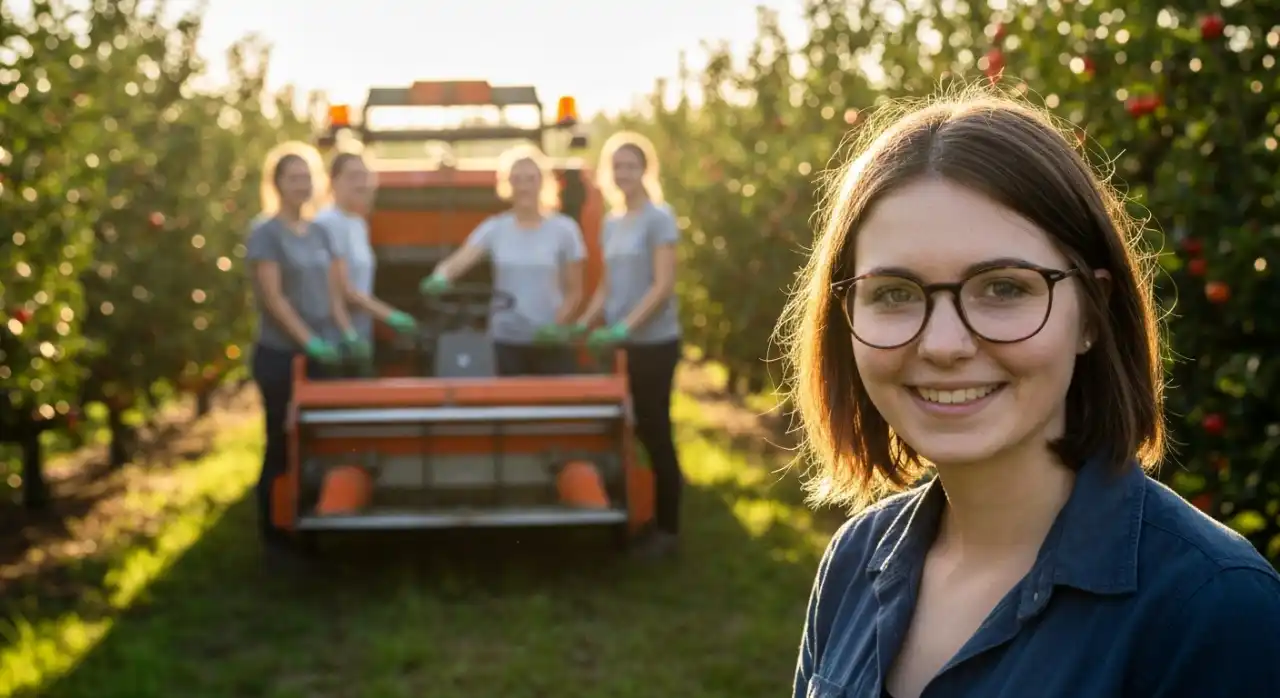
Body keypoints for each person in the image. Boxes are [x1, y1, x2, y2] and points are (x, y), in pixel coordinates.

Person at [782, 91, 1280, 698]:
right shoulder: (853, 561)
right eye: (893, 293)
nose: (943, 344)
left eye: (1003, 288)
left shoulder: (1213, 610)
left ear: (1093, 314)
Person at [572, 131, 684, 558]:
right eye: (617, 167)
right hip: (621, 347)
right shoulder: (612, 223)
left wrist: (626, 327)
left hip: (654, 343)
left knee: (656, 431)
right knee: (630, 430)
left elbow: (662, 286)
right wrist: (584, 323)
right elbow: (607, 286)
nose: (624, 174)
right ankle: (642, 515)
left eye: (631, 166)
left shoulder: (660, 217)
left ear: (645, 170)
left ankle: (668, 530)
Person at [246, 143, 354, 563]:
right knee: (281, 442)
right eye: (293, 178)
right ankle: (276, 533)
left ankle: (318, 517)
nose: (301, 185)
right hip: (282, 356)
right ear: (277, 184)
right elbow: (274, 299)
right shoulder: (265, 233)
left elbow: (333, 295)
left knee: (322, 442)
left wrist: (345, 335)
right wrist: (307, 340)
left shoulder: (321, 231)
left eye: (307, 177)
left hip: (322, 355)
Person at [419, 144, 586, 376]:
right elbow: (458, 261)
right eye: (517, 179)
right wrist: (440, 276)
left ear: (543, 182)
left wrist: (556, 326)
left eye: (531, 178)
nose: (525, 186)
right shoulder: (495, 228)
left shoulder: (565, 230)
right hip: (504, 342)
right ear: (508, 184)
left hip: (549, 342)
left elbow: (575, 291)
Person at [314, 151, 418, 361]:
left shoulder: (358, 223)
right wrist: (391, 316)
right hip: (335, 341)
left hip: (359, 335)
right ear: (333, 182)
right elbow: (344, 291)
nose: (361, 184)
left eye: (364, 176)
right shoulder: (327, 223)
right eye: (352, 177)